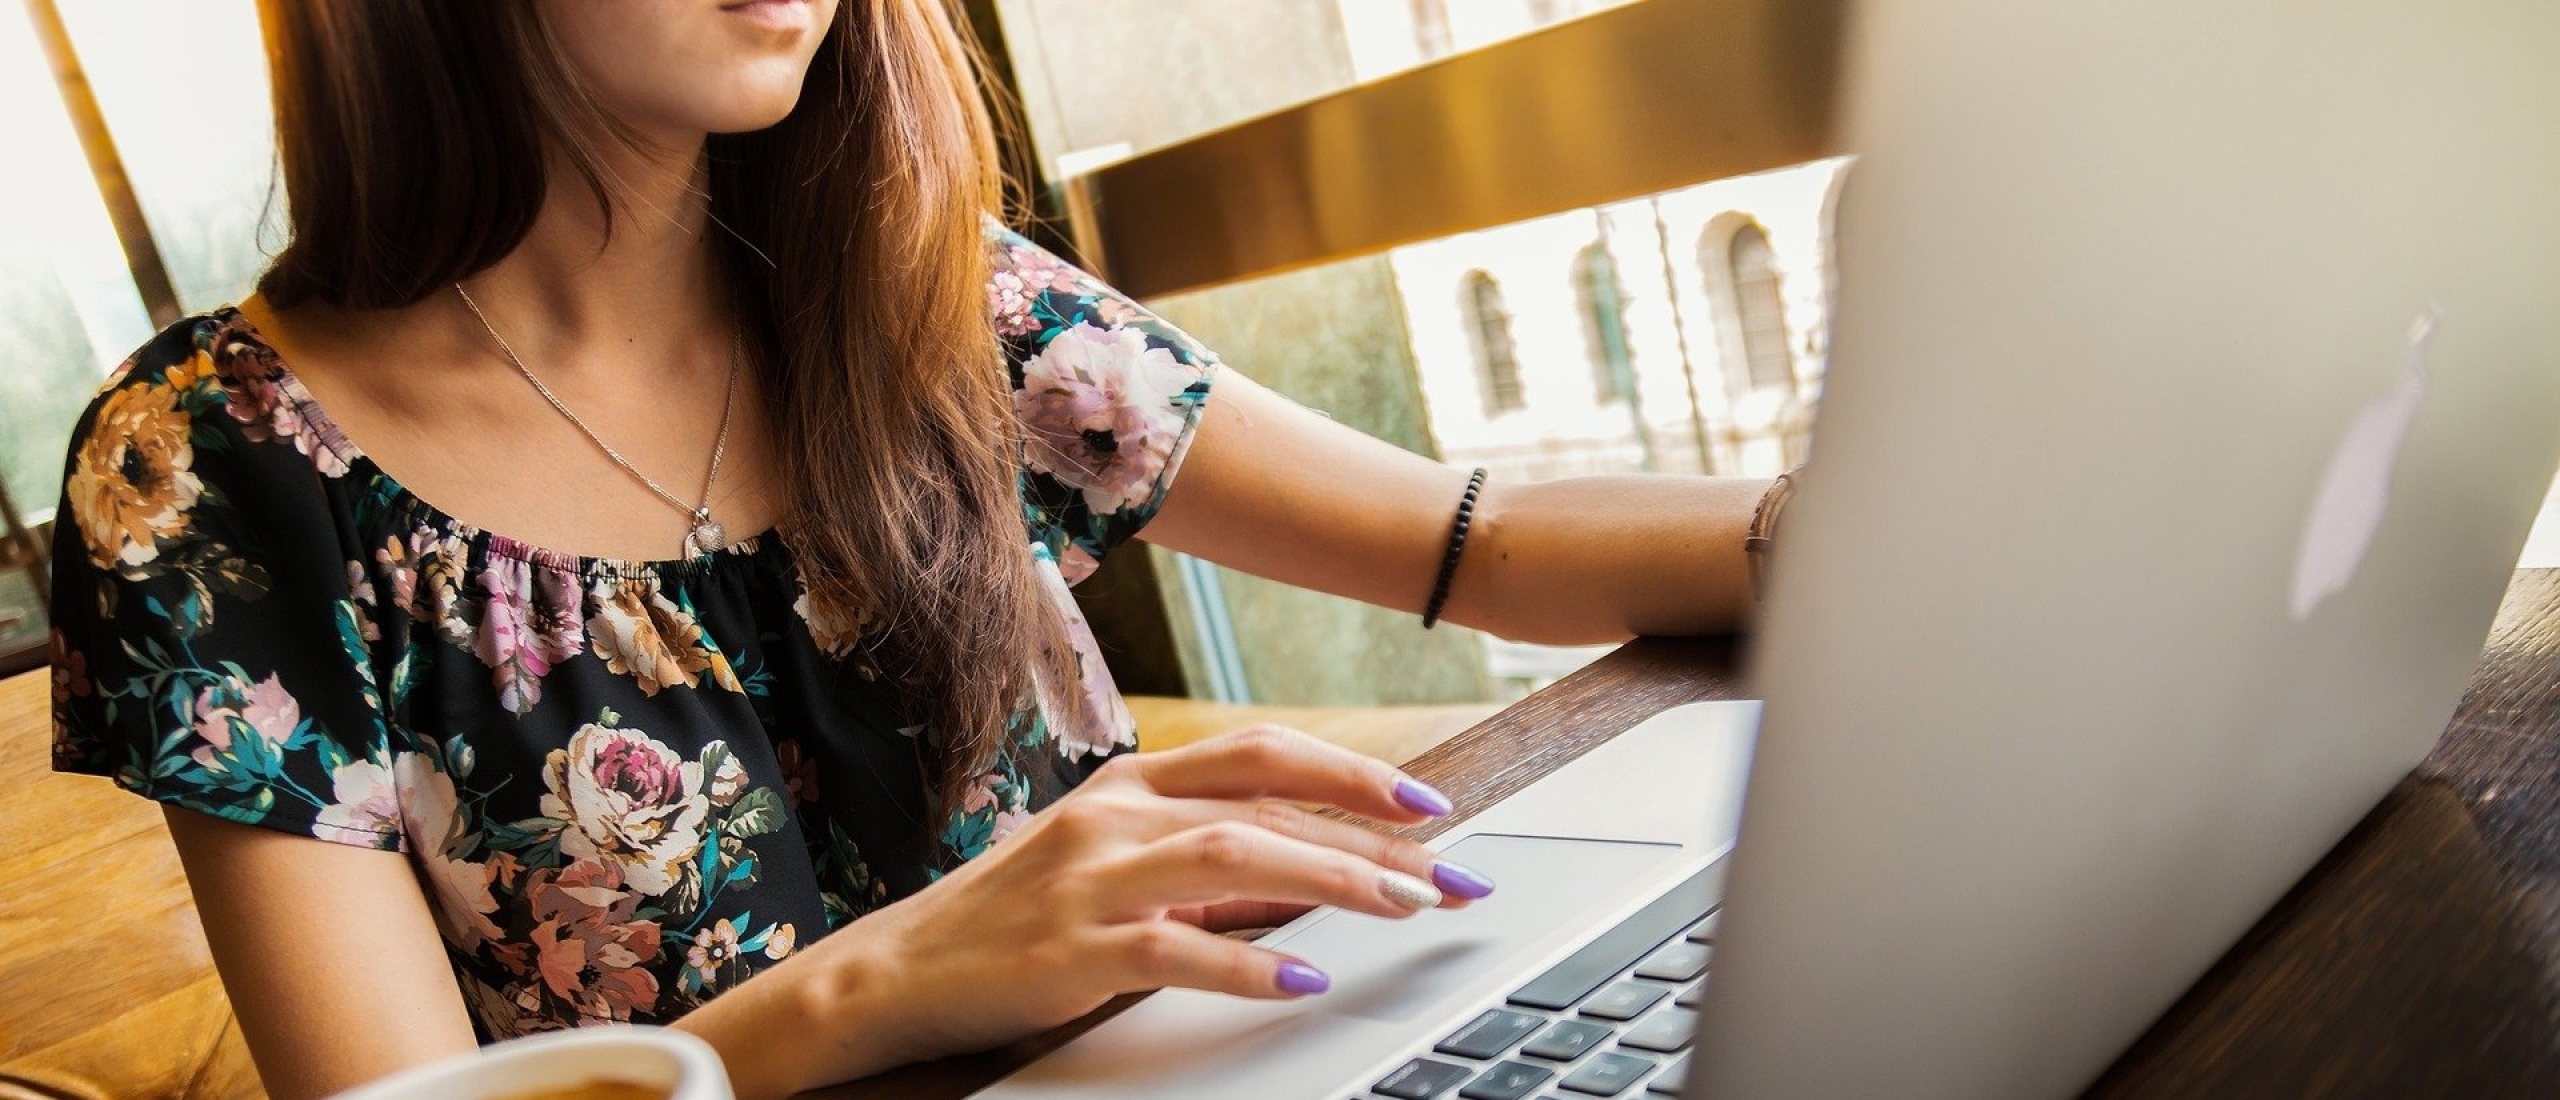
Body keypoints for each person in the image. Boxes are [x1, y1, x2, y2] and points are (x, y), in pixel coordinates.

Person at [44, 2, 1771, 1097]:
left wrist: (1846, 529)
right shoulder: (207, 468)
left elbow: (1475, 540)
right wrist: (889, 983)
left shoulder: (918, 286)